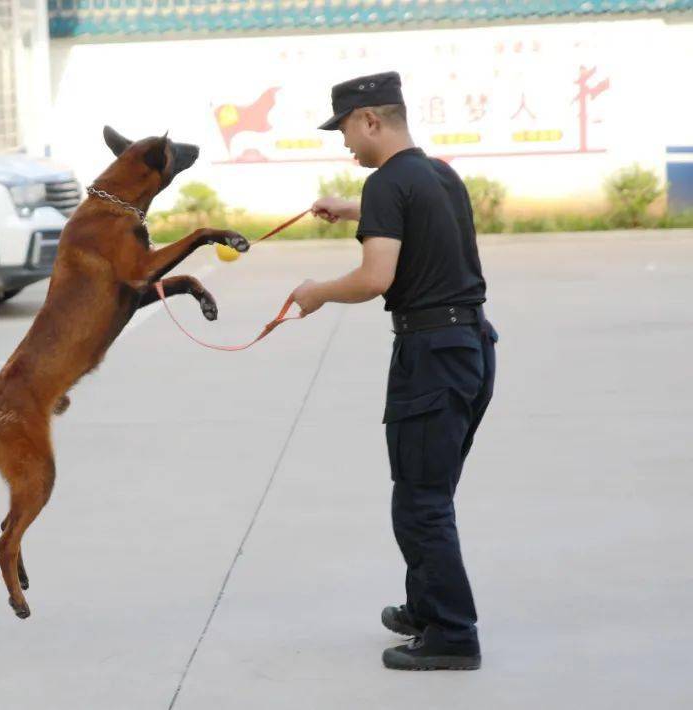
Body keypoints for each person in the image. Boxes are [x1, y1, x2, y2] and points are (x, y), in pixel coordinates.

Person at [289, 71, 498, 671]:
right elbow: (411, 207)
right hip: (472, 346)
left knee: (420, 500)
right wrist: (350, 205)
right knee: (430, 490)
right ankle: (424, 607)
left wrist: (318, 292)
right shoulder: (438, 174)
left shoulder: (387, 183)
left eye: (347, 130)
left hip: (431, 355)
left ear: (371, 121)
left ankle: (453, 635)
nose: (345, 144)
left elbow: (375, 278)